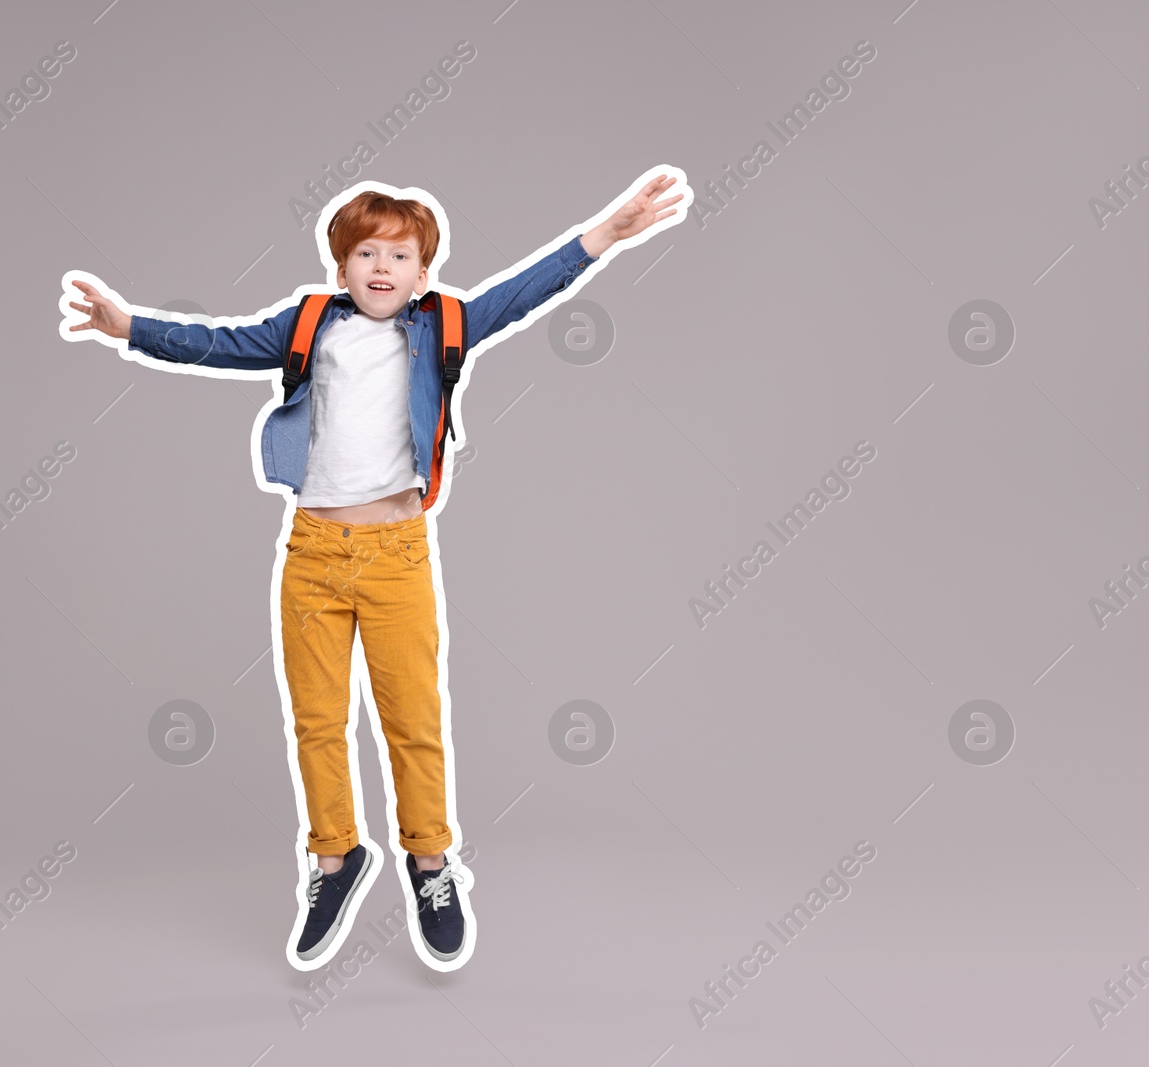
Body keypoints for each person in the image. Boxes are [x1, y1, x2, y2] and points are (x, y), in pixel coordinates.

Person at [60, 170, 686, 971]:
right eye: (366, 252)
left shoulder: (446, 324)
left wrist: (606, 231)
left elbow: (528, 290)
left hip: (397, 557)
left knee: (412, 722)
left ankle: (430, 864)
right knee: (318, 723)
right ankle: (334, 859)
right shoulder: (309, 325)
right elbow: (217, 343)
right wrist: (129, 327)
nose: (382, 266)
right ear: (340, 266)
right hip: (312, 553)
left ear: (424, 273)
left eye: (400, 253)